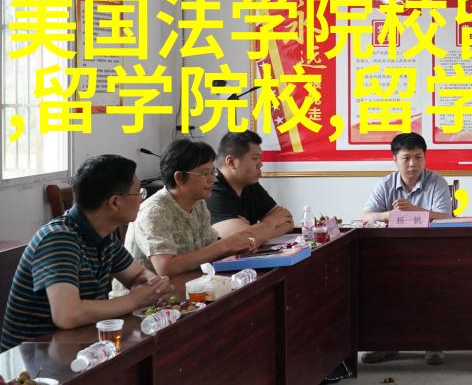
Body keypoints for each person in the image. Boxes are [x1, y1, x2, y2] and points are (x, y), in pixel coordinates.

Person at [1, 155, 172, 351]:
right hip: (33, 358)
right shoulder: (58, 239)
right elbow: (67, 315)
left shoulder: (104, 234)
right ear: (115, 202)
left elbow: (137, 274)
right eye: (138, 193)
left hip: (77, 344)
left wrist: (152, 286)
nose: (142, 198)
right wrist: (135, 300)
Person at [361, 132, 454, 365]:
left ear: (425, 158)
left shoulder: (437, 182)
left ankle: (433, 342)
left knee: (432, 286)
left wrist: (414, 210)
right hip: (391, 250)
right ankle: (387, 344)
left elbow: (446, 217)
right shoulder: (385, 184)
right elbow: (366, 216)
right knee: (381, 286)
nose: (413, 164)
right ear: (395, 160)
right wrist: (388, 215)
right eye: (406, 158)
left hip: (431, 251)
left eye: (418, 157)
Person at [122, 139, 257, 280]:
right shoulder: (155, 211)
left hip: (189, 284)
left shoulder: (198, 204)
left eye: (213, 172)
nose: (212, 179)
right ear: (179, 178)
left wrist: (235, 246)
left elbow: (211, 247)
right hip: (147, 292)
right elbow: (166, 268)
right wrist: (224, 246)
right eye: (205, 173)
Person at [207, 130, 294, 237]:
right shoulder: (211, 191)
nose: (261, 164)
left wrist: (257, 231)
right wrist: (271, 222)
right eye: (255, 158)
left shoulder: (250, 184)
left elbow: (287, 221)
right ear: (231, 162)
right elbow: (244, 240)